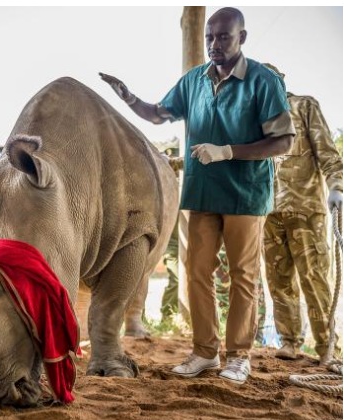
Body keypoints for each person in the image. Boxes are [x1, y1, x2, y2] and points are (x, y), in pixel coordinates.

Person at [100, 7, 295, 384]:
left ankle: (238, 356)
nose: (214, 45)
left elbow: (283, 140)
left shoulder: (262, 80)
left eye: (223, 37)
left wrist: (228, 151)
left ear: (242, 37)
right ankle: (205, 351)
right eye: (209, 37)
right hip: (203, 191)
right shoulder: (194, 81)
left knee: (242, 275)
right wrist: (128, 97)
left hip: (245, 193)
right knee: (196, 272)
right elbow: (158, 114)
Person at [261, 63, 343, 364]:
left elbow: (328, 153)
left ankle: (327, 349)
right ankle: (290, 341)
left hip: (306, 209)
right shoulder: (256, 118)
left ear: (280, 81)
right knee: (278, 280)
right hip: (269, 211)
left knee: (314, 278)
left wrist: (337, 186)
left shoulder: (304, 106)